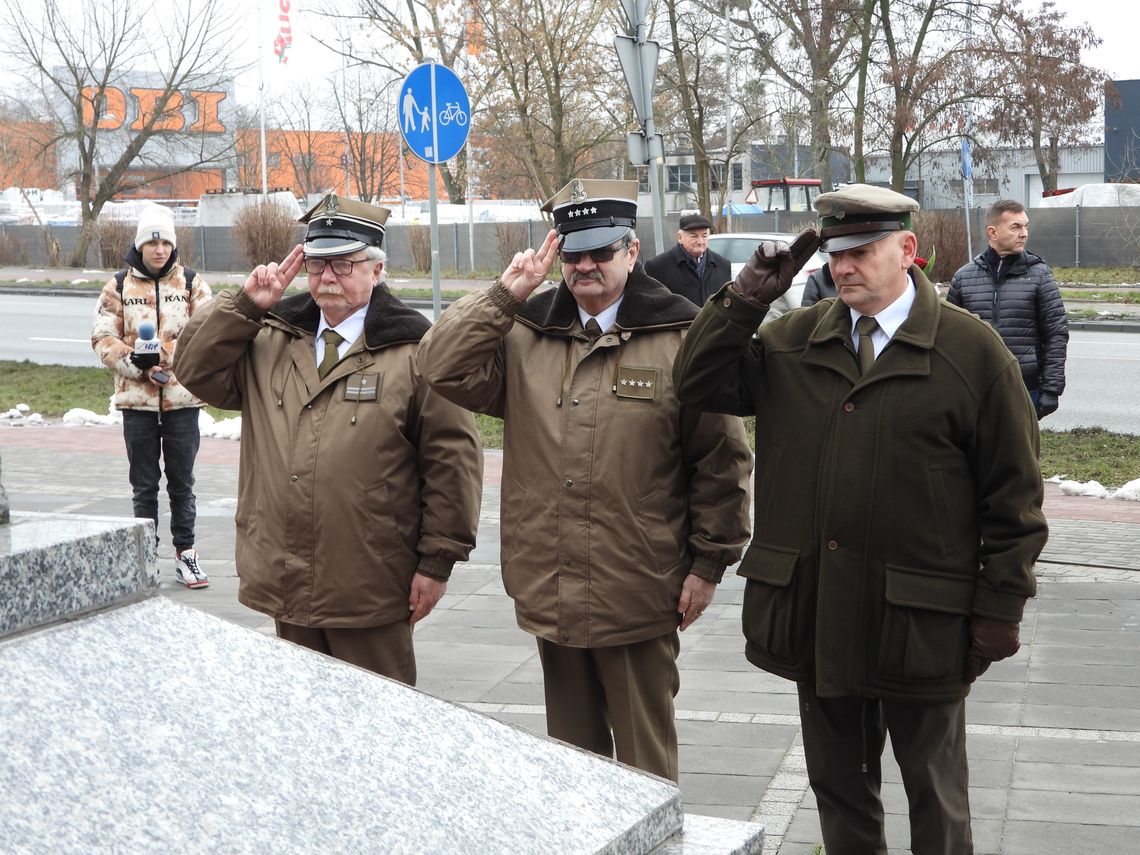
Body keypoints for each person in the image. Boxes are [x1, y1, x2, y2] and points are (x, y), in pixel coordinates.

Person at [673, 184, 1048, 853]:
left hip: (922, 624)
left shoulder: (971, 353)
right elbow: (696, 383)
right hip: (821, 617)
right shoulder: (792, 341)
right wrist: (746, 298)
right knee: (839, 795)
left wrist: (1001, 608)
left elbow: (1014, 498)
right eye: (835, 254)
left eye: (862, 251)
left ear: (907, 250)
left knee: (937, 796)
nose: (844, 267)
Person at [417, 179, 752, 781]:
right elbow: (439, 367)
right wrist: (504, 294)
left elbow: (721, 459)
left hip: (640, 583)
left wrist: (709, 565)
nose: (585, 266)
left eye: (600, 252)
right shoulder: (527, 334)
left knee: (645, 766)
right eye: (572, 255)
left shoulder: (678, 335)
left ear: (631, 252)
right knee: (571, 767)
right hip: (552, 580)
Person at [173, 194, 482, 685]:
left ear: (377, 270)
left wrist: (437, 561)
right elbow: (192, 369)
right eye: (317, 265)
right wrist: (243, 307)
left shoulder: (413, 349)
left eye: (343, 264)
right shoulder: (270, 336)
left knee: (379, 724)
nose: (327, 277)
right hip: (286, 574)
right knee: (302, 730)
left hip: (372, 582)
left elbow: (452, 462)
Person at [91, 204, 212, 589]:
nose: (159, 249)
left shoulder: (192, 284)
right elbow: (102, 338)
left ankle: (186, 555)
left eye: (164, 241)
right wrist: (138, 366)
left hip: (182, 402)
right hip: (137, 405)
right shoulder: (118, 287)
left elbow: (206, 334)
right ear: (140, 244)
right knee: (143, 486)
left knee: (182, 483)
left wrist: (160, 356)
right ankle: (142, 559)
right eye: (151, 241)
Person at [947, 199, 1069, 420]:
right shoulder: (963, 278)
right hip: (975, 391)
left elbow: (1056, 334)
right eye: (1016, 227)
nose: (1024, 234)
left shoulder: (1040, 275)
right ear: (992, 233)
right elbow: (948, 339)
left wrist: (1051, 389)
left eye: (1026, 226)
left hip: (1025, 389)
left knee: (1018, 455)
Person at [643, 213, 732, 306]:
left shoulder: (723, 265)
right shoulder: (658, 267)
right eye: (694, 236)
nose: (700, 241)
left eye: (704, 236)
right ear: (680, 237)